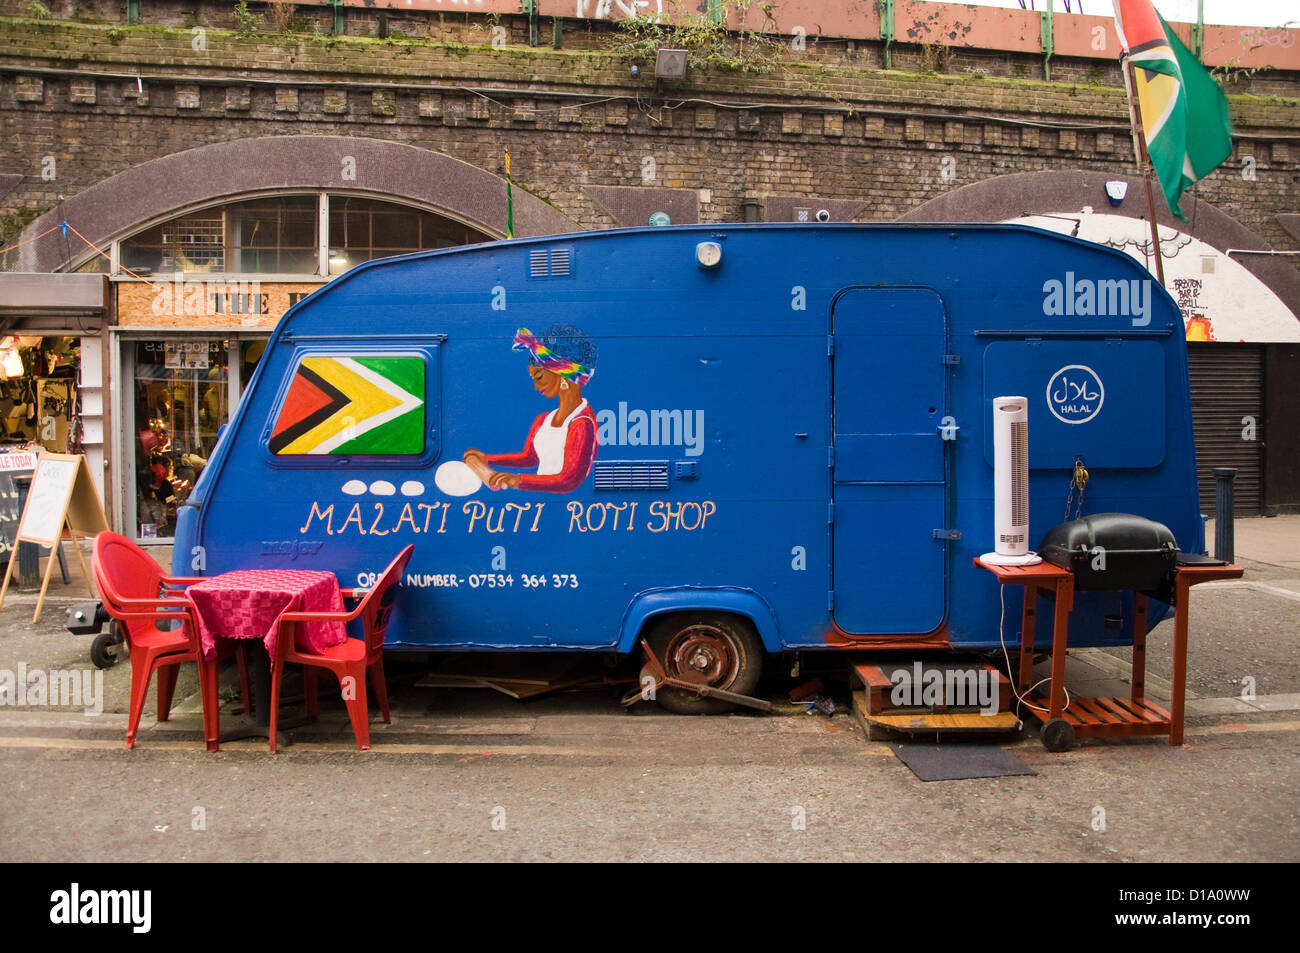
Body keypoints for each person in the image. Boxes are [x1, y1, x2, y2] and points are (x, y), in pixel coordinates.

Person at [463, 324, 598, 493]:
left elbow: (567, 480)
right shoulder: (544, 419)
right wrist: (487, 459)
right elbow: (530, 458)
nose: (536, 386)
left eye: (539, 377)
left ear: (563, 373)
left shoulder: (582, 423)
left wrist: (517, 480)